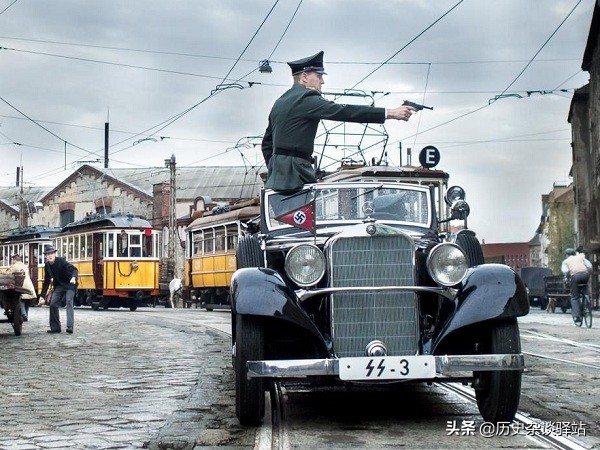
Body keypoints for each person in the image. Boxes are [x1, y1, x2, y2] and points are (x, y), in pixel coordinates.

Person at [261, 50, 417, 192]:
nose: (322, 82)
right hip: (296, 177)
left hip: (278, 179)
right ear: (304, 77)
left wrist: (276, 169)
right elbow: (344, 111)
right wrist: (391, 113)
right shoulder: (306, 98)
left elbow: (267, 144)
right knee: (307, 220)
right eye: (319, 76)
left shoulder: (279, 102)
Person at [39, 245, 78, 334]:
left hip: (70, 284)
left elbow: (74, 270)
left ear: (55, 254)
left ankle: (69, 326)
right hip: (59, 286)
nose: (50, 256)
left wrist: (74, 278)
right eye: (48, 254)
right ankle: (55, 328)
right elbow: (46, 281)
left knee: (69, 301)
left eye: (52, 253)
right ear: (45, 256)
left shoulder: (61, 261)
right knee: (53, 304)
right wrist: (42, 296)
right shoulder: (47, 265)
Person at [561, 247, 592, 324]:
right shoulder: (581, 257)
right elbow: (589, 266)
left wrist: (566, 278)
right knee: (585, 289)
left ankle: (577, 317)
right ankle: (587, 301)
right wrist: (588, 273)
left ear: (567, 255)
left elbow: (565, 271)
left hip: (575, 276)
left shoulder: (566, 261)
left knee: (574, 297)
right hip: (585, 275)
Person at [7, 254, 36, 322]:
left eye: (12, 260)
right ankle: (26, 315)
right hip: (29, 285)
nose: (12, 262)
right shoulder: (25, 266)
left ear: (14, 260)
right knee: (27, 302)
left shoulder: (14, 266)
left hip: (21, 285)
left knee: (21, 300)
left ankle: (23, 314)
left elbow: (8, 274)